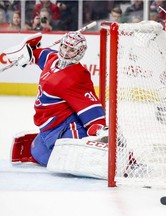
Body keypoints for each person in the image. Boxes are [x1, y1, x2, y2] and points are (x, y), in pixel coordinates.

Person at [6, 31, 107, 166]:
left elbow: (89, 105)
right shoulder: (53, 58)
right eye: (65, 47)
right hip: (48, 129)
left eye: (71, 50)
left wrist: (98, 127)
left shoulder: (76, 76)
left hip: (65, 127)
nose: (66, 52)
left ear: (80, 52)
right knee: (40, 154)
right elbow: (40, 55)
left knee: (70, 161)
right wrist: (29, 54)